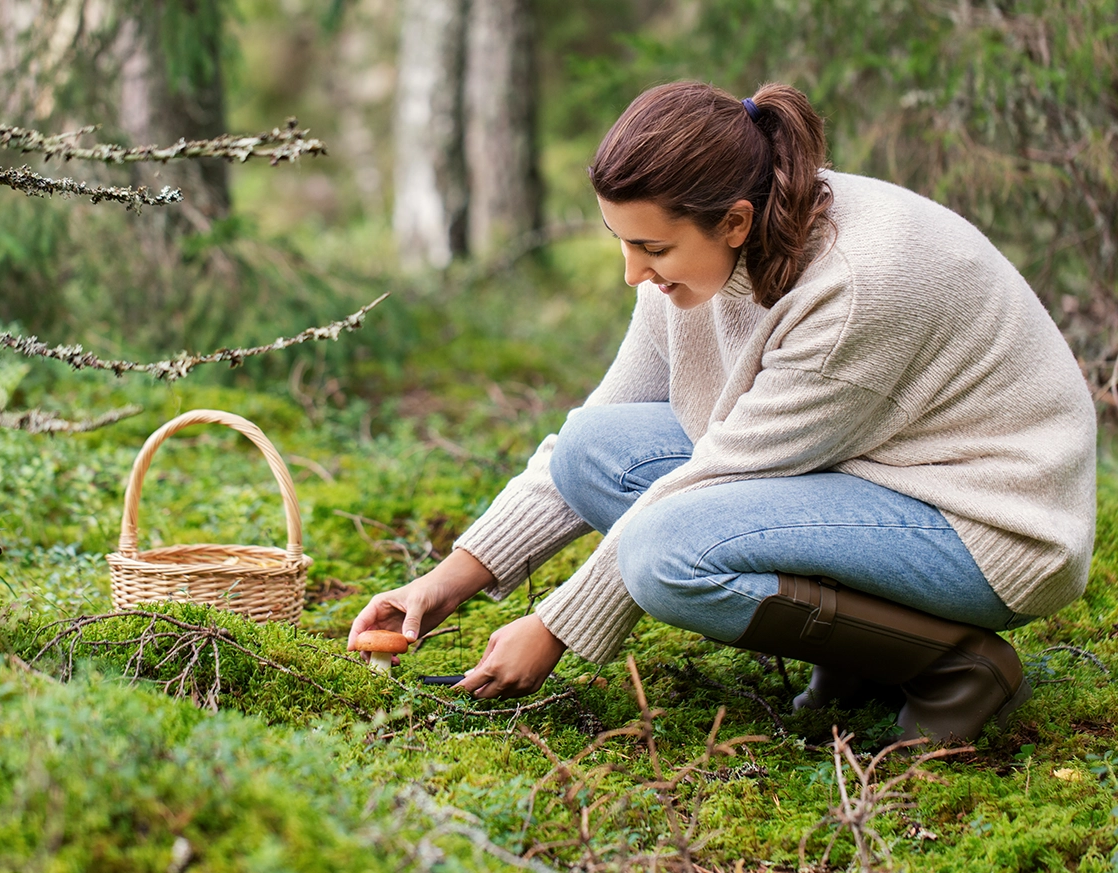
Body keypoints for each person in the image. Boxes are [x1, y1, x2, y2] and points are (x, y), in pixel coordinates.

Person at [348, 81, 1097, 744]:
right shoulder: (705, 247)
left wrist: (553, 628)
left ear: (735, 223)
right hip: (865, 473)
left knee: (667, 553)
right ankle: (861, 660)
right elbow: (603, 423)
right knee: (592, 450)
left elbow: (714, 480)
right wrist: (448, 580)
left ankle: (955, 667)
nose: (633, 274)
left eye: (652, 248)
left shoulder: (855, 290)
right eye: (622, 242)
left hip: (988, 526)